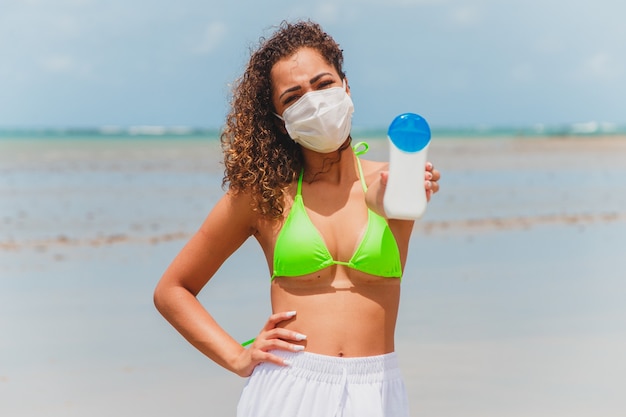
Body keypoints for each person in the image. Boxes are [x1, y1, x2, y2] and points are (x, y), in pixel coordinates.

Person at [153, 19, 441, 417]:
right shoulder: (264, 196)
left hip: (377, 391)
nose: (314, 101)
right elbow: (172, 290)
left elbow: (383, 204)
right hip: (290, 389)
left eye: (323, 84)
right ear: (279, 118)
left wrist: (394, 195)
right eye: (293, 97)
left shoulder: (394, 184)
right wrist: (237, 356)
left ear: (346, 86)